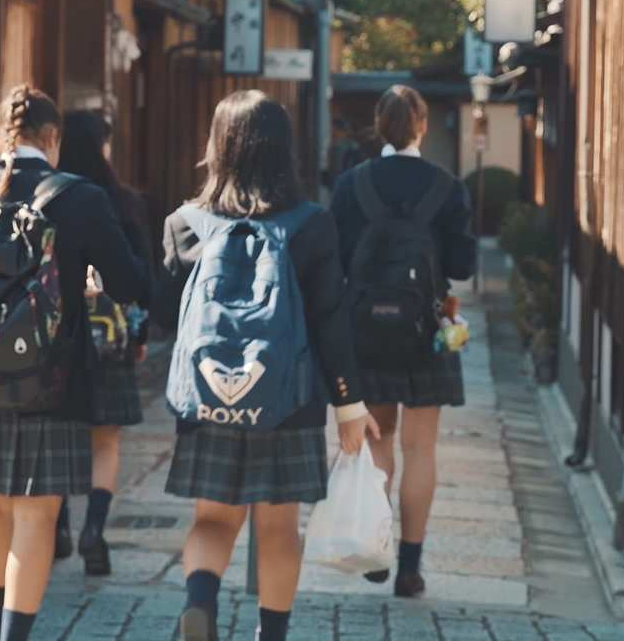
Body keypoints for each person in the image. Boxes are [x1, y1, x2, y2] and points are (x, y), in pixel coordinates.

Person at [157, 91, 380, 641]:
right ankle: (271, 636)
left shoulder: (185, 223)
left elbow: (170, 316)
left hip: (209, 396)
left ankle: (200, 604)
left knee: (212, 519)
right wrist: (349, 404)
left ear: (219, 146)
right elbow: (331, 322)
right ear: (284, 150)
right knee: (279, 524)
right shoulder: (311, 225)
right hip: (290, 397)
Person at [0, 85, 145, 641]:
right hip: (53, 379)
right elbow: (131, 283)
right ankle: (14, 635)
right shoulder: (80, 197)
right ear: (52, 139)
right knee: (35, 514)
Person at [328, 85, 475, 598]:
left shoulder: (351, 185)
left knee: (378, 442)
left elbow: (337, 261)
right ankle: (411, 567)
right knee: (422, 448)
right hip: (424, 333)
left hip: (366, 332)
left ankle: (377, 546)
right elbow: (462, 265)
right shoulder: (446, 186)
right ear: (422, 126)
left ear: (378, 125)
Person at [50, 107, 156, 576]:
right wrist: (141, 334)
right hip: (110, 338)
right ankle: (94, 529)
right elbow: (140, 276)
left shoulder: (48, 198)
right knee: (104, 443)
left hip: (59, 335)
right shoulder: (124, 200)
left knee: (56, 438)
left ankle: (57, 528)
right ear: (101, 147)